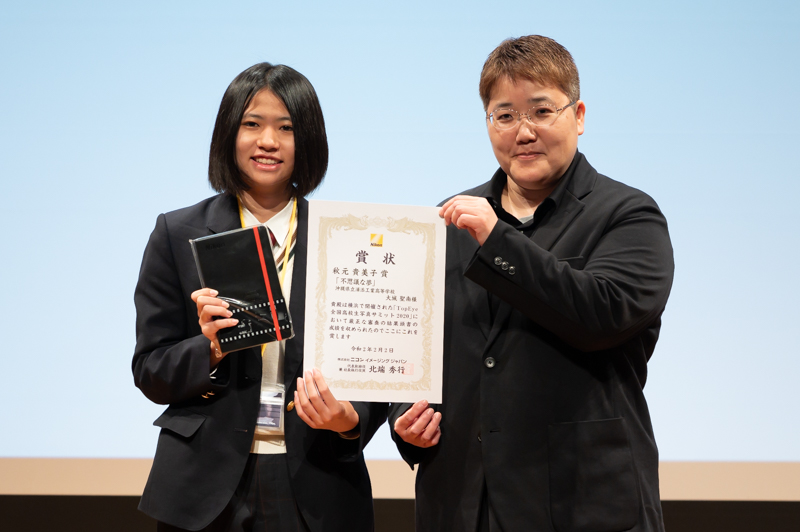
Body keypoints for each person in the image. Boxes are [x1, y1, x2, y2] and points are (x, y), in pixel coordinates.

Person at [389, 36, 674, 531]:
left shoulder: (629, 215)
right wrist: (406, 417)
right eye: (504, 115)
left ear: (578, 115)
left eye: (541, 110)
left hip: (581, 503)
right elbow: (415, 341)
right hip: (462, 503)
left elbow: (602, 315)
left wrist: (496, 239)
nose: (523, 131)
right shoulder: (448, 219)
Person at [133, 63, 387, 532]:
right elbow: (150, 369)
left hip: (316, 478)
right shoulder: (177, 232)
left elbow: (377, 361)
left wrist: (352, 420)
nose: (267, 141)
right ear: (229, 133)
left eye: (286, 128)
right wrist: (208, 347)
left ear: (307, 140)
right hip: (203, 486)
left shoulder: (349, 237)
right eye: (252, 124)